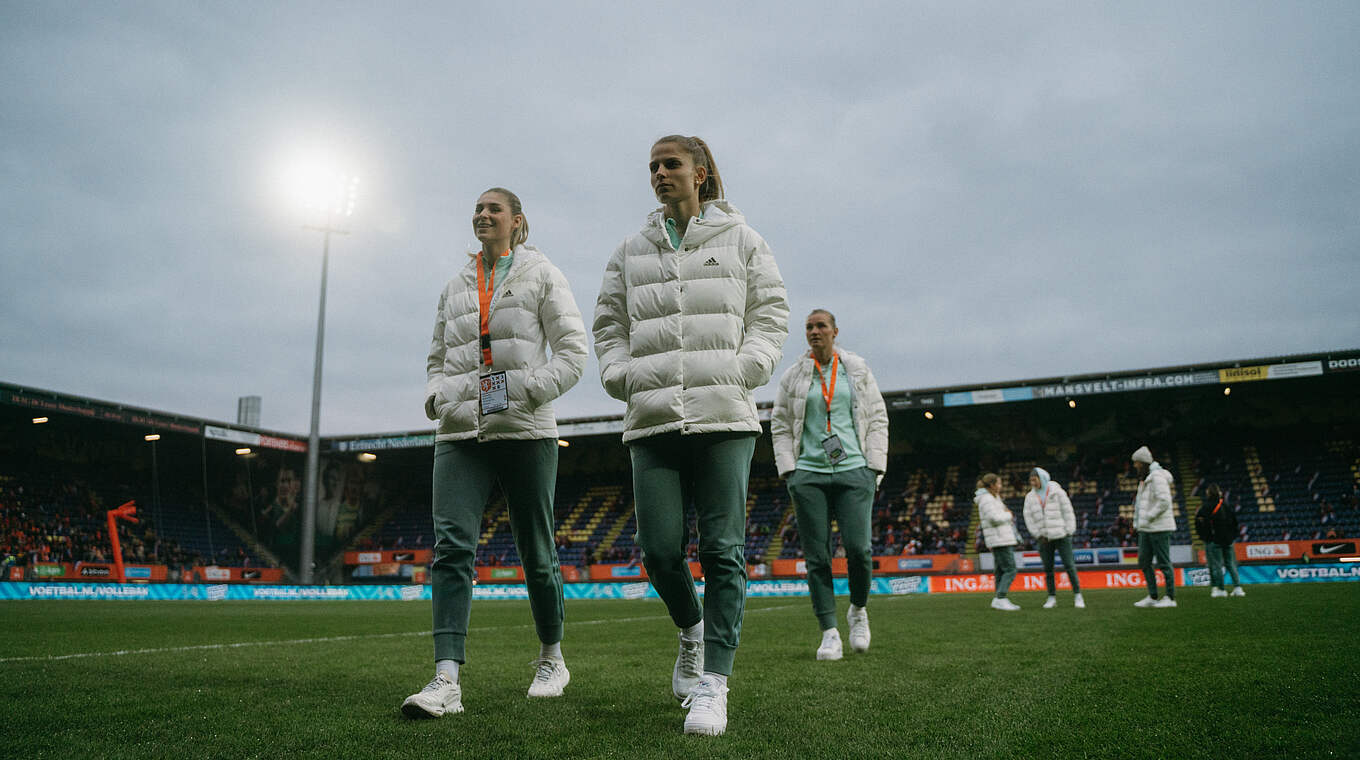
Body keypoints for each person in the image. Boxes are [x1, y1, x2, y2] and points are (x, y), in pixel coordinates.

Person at [593, 134, 788, 736]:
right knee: (657, 551)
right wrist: (621, 374)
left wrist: (745, 368)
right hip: (652, 421)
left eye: (670, 164)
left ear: (700, 173)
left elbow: (771, 313)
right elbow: (607, 325)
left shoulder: (743, 241)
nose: (659, 174)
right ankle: (692, 632)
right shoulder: (631, 250)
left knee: (724, 553)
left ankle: (715, 685)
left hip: (723, 417)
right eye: (652, 166)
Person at [402, 187, 587, 719]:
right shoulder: (455, 285)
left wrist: (527, 390)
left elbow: (574, 353)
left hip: (525, 430)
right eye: (478, 209)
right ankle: (445, 679)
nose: (483, 215)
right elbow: (437, 356)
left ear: (517, 221)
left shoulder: (542, 275)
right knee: (451, 547)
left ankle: (552, 657)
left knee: (536, 550)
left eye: (494, 209)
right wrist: (438, 398)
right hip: (460, 433)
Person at [770, 309, 888, 660]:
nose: (814, 331)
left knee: (859, 550)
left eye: (821, 326)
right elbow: (779, 423)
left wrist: (874, 467)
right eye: (809, 327)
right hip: (809, 474)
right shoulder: (793, 376)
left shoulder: (857, 369)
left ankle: (858, 611)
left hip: (854, 470)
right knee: (817, 557)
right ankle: (829, 632)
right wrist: (790, 471)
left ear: (835, 331)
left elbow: (878, 417)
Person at [1022, 467, 1086, 609]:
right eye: (1031, 480)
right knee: (1048, 569)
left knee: (1069, 566)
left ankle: (1078, 595)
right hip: (1043, 538)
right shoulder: (1030, 497)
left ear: (1042, 478)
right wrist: (1038, 534)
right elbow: (1028, 518)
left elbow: (1068, 511)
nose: (1033, 482)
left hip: (1061, 535)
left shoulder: (1057, 492)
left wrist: (1069, 531)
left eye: (1035, 479)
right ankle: (1051, 597)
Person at [1131, 445, 1178, 608]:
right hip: (1146, 528)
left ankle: (1170, 598)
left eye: (1136, 463)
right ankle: (1152, 596)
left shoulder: (1157, 477)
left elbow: (1164, 502)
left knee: (1164, 563)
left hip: (1159, 528)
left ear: (1143, 463)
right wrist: (1139, 523)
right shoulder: (1145, 479)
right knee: (1144, 561)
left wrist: (1148, 517)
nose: (1134, 466)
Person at [975, 473, 1020, 611]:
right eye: (999, 483)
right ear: (992, 485)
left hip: (1000, 537)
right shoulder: (987, 499)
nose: (1001, 486)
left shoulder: (992, 498)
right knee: (1011, 569)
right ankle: (1001, 597)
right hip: (999, 538)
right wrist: (1009, 515)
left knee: (1000, 570)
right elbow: (994, 518)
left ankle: (998, 599)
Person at [1194, 483, 1244, 598]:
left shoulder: (1205, 507)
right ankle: (1238, 588)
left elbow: (1199, 523)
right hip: (1228, 540)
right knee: (1231, 564)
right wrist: (1232, 536)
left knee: (1216, 565)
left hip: (1214, 540)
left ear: (1209, 493)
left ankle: (1221, 589)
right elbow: (1235, 523)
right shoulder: (1225, 505)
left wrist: (1205, 537)